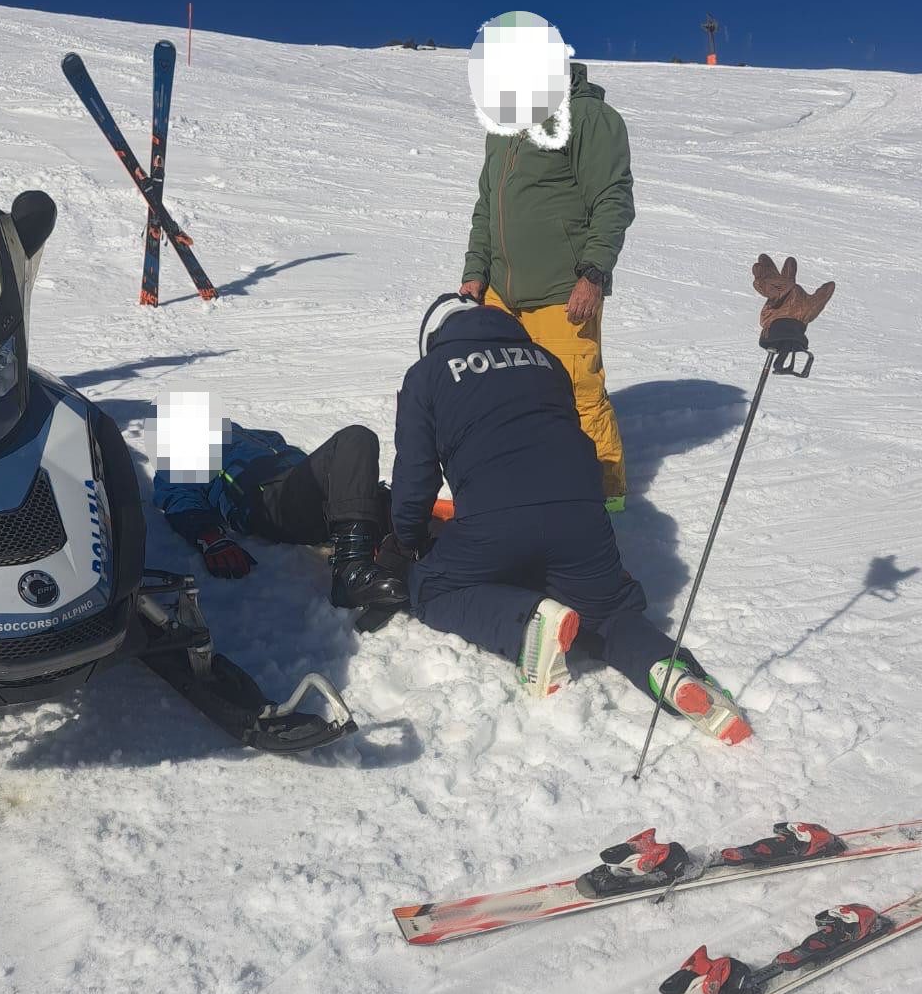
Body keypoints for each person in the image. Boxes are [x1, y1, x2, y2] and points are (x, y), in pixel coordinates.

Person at [387, 294, 751, 744]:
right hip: (581, 517)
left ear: (436, 339)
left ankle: (529, 624)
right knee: (611, 614)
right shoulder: (546, 361)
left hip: (496, 521)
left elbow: (415, 475)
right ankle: (670, 671)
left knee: (432, 587)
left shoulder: (427, 374)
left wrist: (408, 538)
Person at [459, 59, 635, 509]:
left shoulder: (590, 117)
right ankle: (516, 487)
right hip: (500, 292)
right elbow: (487, 207)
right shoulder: (502, 127)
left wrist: (593, 273)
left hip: (564, 288)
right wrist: (476, 270)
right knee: (500, 395)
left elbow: (612, 199)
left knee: (578, 393)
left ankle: (604, 501)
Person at [153, 422, 407, 611]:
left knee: (397, 501)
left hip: (304, 489)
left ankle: (430, 546)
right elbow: (177, 498)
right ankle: (350, 572)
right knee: (356, 437)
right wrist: (209, 535)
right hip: (266, 501)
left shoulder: (255, 435)